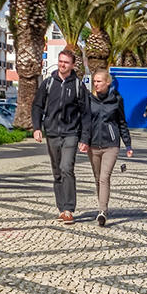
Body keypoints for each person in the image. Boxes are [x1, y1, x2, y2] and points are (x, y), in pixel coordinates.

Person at [31, 49, 89, 224]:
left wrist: (85, 138)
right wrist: (37, 127)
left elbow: (86, 113)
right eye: (60, 61)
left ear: (72, 65)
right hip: (52, 133)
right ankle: (61, 207)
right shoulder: (48, 83)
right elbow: (37, 106)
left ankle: (69, 209)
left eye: (66, 62)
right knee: (57, 172)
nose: (62, 64)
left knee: (66, 168)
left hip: (71, 133)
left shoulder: (78, 86)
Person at [79, 69, 134, 227]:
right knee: (97, 178)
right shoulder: (90, 99)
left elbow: (122, 122)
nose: (96, 84)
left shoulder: (116, 99)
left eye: (99, 81)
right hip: (93, 145)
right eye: (94, 81)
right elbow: (86, 122)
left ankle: (102, 211)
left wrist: (128, 144)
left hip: (111, 145)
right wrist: (84, 141)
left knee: (104, 177)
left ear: (107, 82)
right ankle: (102, 206)